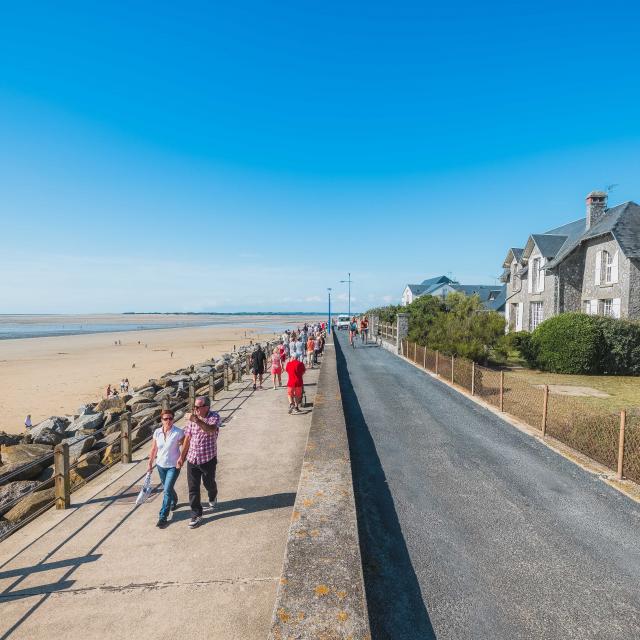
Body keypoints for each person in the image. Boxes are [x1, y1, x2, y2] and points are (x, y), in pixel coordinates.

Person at [183, 396, 221, 528]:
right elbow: (187, 438)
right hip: (192, 459)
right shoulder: (192, 419)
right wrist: (181, 457)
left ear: (206, 407)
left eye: (198, 407)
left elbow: (210, 430)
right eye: (194, 407)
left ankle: (213, 495)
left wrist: (197, 420)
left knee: (209, 484)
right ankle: (196, 514)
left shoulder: (214, 417)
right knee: (193, 488)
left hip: (208, 459)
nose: (195, 409)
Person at [147, 408, 186, 528]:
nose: (168, 421)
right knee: (167, 488)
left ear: (173, 419)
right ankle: (174, 500)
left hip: (174, 466)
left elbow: (185, 446)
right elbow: (154, 449)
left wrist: (182, 459)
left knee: (167, 490)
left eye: (170, 418)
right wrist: (150, 463)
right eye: (166, 419)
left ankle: (163, 517)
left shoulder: (178, 432)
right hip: (160, 465)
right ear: (161, 420)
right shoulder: (157, 432)